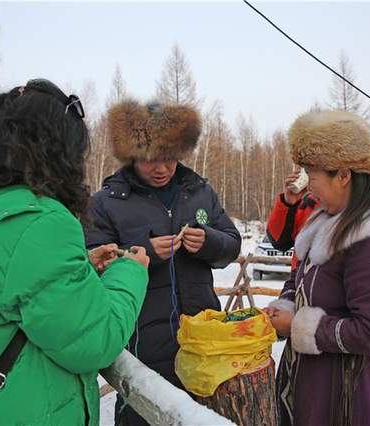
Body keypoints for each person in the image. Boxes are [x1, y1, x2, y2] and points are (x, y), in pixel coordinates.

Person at [0, 79, 149, 425]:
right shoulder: (37, 222)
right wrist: (131, 271)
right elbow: (95, 340)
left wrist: (79, 268)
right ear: (57, 151)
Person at [85, 99, 241, 426]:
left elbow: (232, 244)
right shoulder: (107, 202)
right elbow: (93, 265)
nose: (162, 168)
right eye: (150, 160)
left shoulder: (199, 191)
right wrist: (144, 252)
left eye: (170, 158)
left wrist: (209, 241)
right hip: (142, 345)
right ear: (131, 156)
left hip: (203, 343)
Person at [263, 110, 370, 426]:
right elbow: (299, 280)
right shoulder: (324, 222)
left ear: (343, 175)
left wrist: (298, 326)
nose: (309, 187)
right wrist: (281, 309)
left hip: (344, 391)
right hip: (308, 380)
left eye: (313, 176)